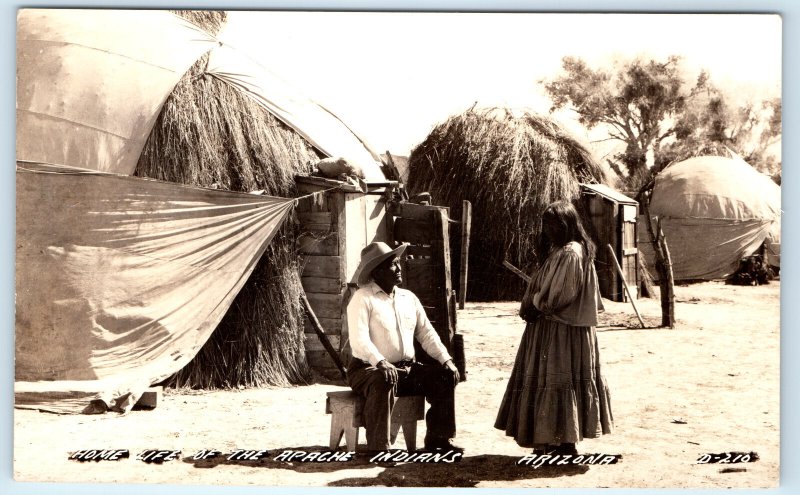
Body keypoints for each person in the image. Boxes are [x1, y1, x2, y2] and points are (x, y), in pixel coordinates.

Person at [495, 200, 613, 455]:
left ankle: (563, 443)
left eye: (553, 224)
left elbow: (560, 295)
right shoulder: (563, 250)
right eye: (545, 224)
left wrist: (535, 305)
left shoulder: (571, 252)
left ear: (566, 224)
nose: (548, 230)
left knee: (559, 380)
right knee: (552, 380)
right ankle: (553, 440)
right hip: (555, 327)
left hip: (562, 330)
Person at [347, 241, 462, 452]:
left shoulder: (408, 298)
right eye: (393, 264)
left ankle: (438, 439)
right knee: (383, 378)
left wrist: (446, 360)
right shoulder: (362, 299)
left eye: (398, 262)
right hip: (367, 370)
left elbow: (426, 334)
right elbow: (359, 340)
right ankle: (379, 449)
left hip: (405, 370)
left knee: (444, 376)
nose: (399, 268)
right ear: (377, 271)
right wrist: (380, 362)